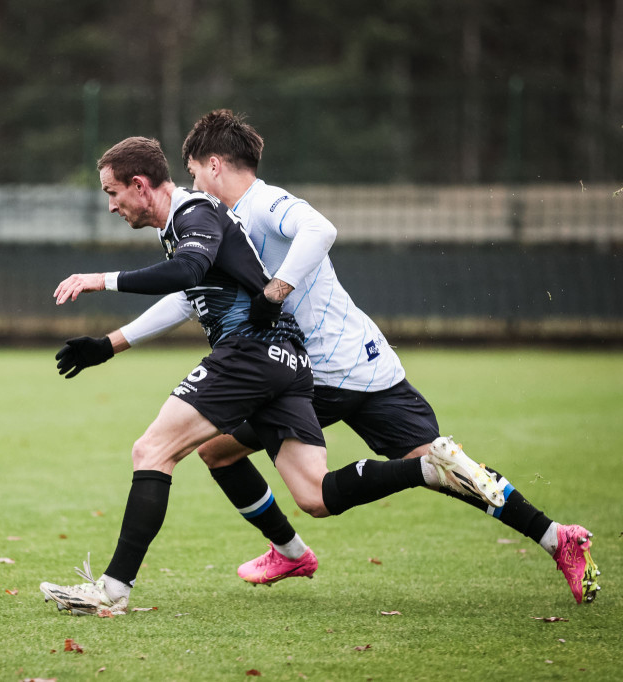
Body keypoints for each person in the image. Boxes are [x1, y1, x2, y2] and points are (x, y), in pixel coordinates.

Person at [51, 110, 601, 605]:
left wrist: (276, 291)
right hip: (349, 362)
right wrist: (112, 343)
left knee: (197, 452)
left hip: (317, 367)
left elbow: (321, 229)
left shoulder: (259, 204)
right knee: (246, 457)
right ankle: (557, 538)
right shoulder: (214, 223)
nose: (191, 183)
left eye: (194, 171)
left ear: (213, 165)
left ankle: (280, 553)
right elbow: (190, 294)